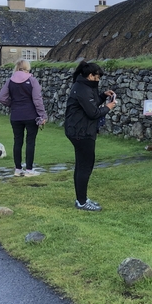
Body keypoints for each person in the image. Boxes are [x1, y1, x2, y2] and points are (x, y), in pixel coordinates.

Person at [64, 61, 116, 211]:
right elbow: (93, 113)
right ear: (90, 75)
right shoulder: (83, 89)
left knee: (81, 165)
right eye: (97, 76)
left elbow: (90, 105)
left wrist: (102, 96)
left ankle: (81, 199)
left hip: (79, 130)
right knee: (85, 166)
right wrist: (108, 107)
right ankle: (82, 202)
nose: (98, 79)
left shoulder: (83, 86)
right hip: (81, 132)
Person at [0, 59, 48, 177]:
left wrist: (12, 104)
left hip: (16, 115)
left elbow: (1, 98)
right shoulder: (32, 80)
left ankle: (18, 169)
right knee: (30, 142)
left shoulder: (10, 81)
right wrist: (42, 115)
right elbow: (37, 99)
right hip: (31, 115)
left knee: (17, 141)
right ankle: (29, 170)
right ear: (27, 67)